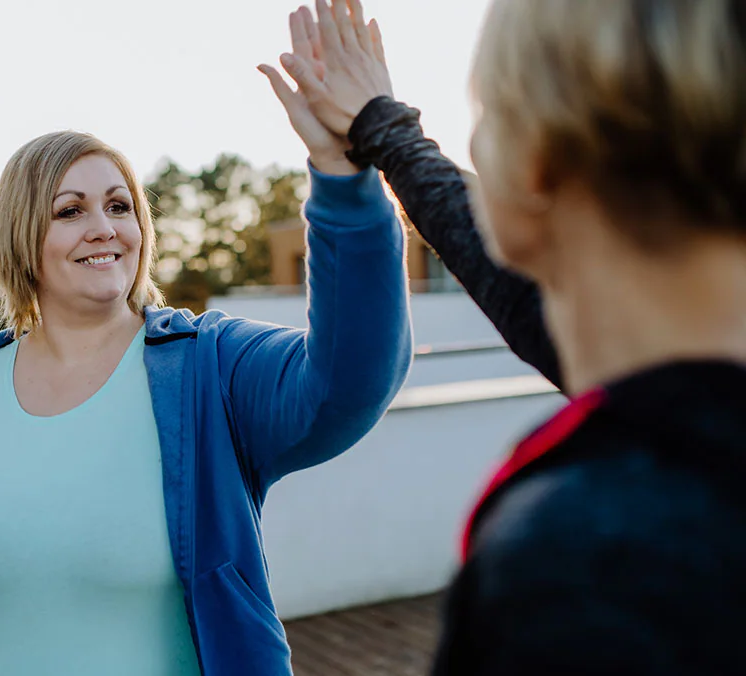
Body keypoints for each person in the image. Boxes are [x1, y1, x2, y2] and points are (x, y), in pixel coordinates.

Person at [0, 46, 413, 676]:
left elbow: (346, 383)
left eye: (119, 206)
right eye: (70, 211)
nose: (104, 228)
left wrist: (344, 183)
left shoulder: (210, 370)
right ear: (20, 238)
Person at [282, 0, 746, 673]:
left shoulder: (588, 558)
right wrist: (383, 130)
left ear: (532, 169)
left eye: (489, 119)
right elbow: (523, 295)